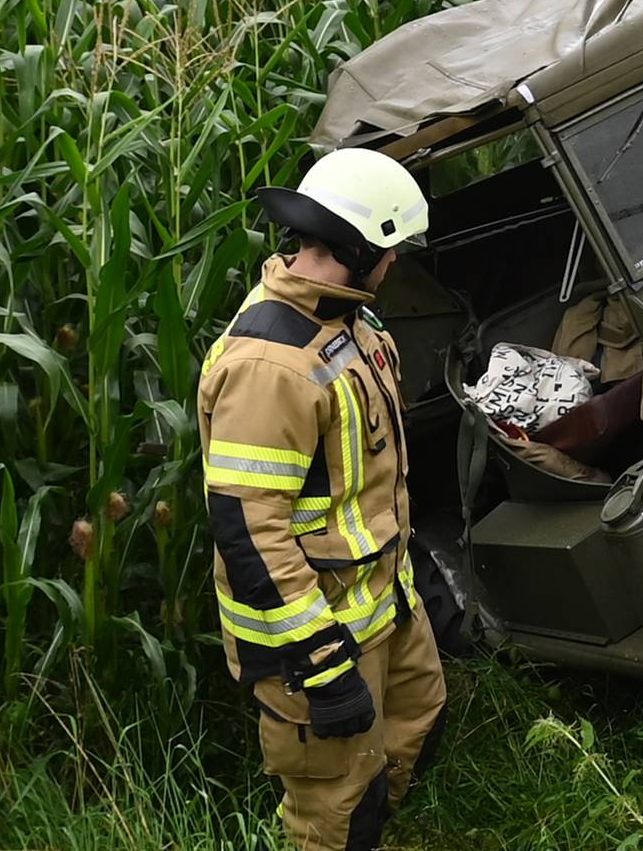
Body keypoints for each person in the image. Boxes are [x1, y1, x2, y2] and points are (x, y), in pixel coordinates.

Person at [199, 148, 443, 850]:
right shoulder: (268, 366)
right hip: (318, 633)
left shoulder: (350, 323)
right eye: (390, 250)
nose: (396, 264)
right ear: (359, 249)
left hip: (381, 605)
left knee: (417, 720)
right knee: (334, 807)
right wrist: (322, 660)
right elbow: (249, 530)